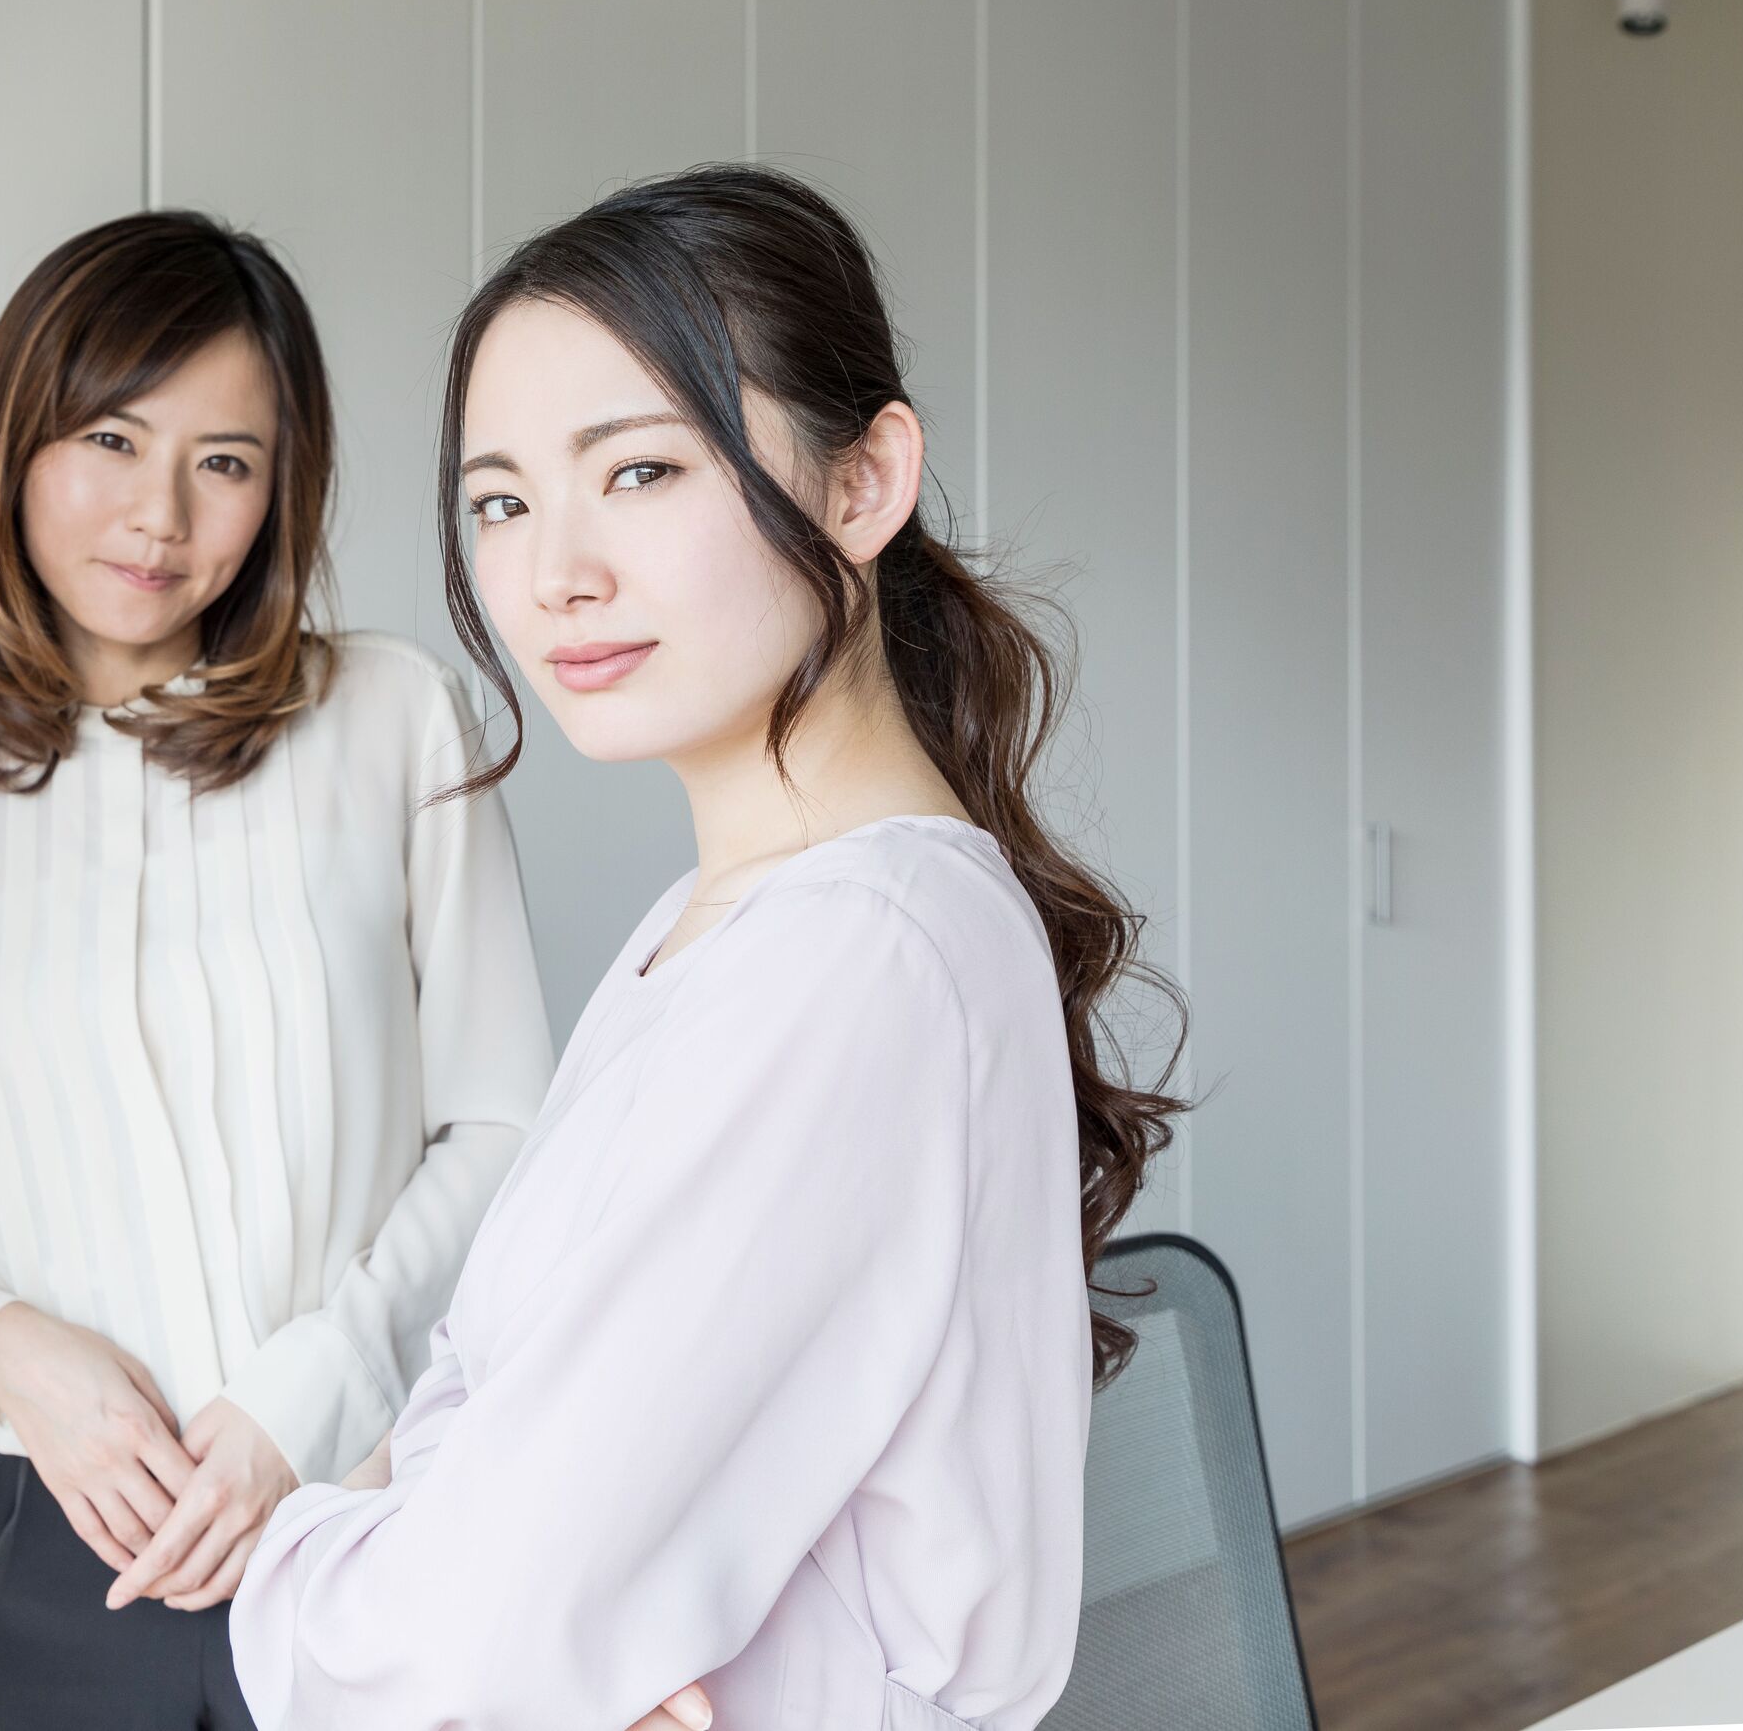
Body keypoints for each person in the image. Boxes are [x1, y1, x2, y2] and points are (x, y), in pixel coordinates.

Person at [228, 164, 1182, 1731]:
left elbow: (475, 1628)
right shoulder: (719, 924)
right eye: (501, 499)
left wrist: (299, 1554)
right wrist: (453, 1503)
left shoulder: (857, 957)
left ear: (865, 484)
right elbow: (488, 1468)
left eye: (644, 472)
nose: (554, 573)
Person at [0, 211, 554, 1729]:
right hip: (17, 1555)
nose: (161, 515)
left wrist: (307, 1396)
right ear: (18, 441)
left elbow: (506, 1124)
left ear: (282, 487)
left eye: (226, 461)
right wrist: (15, 1359)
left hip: (364, 1515)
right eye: (112, 439)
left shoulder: (393, 720)